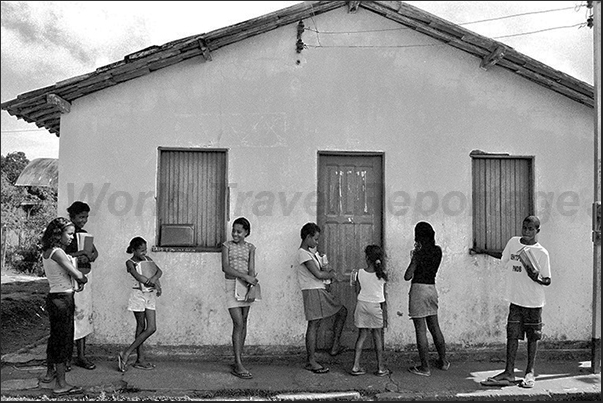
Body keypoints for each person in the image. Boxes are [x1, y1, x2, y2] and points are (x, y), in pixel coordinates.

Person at [480, 215, 551, 389]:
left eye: (531, 229)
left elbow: (548, 280)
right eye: (524, 228)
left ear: (537, 231)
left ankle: (529, 372)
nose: (526, 232)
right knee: (512, 335)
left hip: (533, 301)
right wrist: (484, 250)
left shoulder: (542, 252)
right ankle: (509, 372)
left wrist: (537, 278)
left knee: (533, 338)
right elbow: (504, 257)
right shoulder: (513, 242)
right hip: (515, 299)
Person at [39, 217, 88, 396]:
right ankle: (61, 384)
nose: (72, 238)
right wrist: (82, 278)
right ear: (58, 234)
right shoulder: (58, 252)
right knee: (62, 341)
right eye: (69, 234)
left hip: (56, 297)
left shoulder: (49, 251)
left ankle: (51, 373)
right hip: (62, 300)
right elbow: (77, 274)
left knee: (55, 338)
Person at [297, 222, 348, 374]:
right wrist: (331, 274)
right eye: (316, 239)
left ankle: (335, 346)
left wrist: (327, 269)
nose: (317, 242)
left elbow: (321, 271)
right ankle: (311, 360)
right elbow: (318, 274)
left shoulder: (311, 254)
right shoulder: (303, 254)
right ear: (308, 237)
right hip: (312, 291)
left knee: (341, 311)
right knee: (314, 324)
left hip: (318, 290)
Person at [404, 221, 450, 377]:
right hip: (432, 289)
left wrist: (414, 257)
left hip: (418, 290)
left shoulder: (418, 254)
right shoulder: (438, 251)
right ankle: (443, 361)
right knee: (435, 327)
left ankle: (425, 367)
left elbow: (407, 276)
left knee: (421, 330)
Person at [117, 237, 163, 372]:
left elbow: (158, 271)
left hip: (149, 294)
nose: (144, 252)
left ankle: (126, 352)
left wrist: (155, 282)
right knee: (141, 325)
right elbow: (138, 276)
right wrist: (150, 281)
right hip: (138, 295)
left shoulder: (148, 260)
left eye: (145, 250)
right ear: (133, 250)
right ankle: (139, 359)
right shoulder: (130, 262)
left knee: (152, 327)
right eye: (141, 250)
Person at [221, 217, 259, 379]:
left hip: (246, 286)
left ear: (246, 233)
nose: (235, 234)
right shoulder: (226, 246)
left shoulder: (251, 248)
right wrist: (245, 277)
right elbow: (226, 268)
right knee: (238, 323)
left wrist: (251, 284)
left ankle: (239, 359)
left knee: (244, 322)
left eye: (239, 231)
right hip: (232, 285)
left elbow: (251, 268)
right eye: (233, 231)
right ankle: (237, 363)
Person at [65, 201, 99, 371]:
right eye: (80, 217)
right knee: (71, 318)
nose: (83, 220)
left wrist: (89, 257)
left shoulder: (85, 234)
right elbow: (62, 256)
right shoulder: (66, 235)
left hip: (85, 277)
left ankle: (81, 356)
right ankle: (66, 358)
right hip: (71, 280)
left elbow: (95, 253)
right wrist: (80, 254)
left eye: (86, 217)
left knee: (83, 318)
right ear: (72, 216)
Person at [350, 245, 390, 377]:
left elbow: (356, 291)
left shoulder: (359, 272)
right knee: (377, 336)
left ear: (367, 258)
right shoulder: (383, 275)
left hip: (361, 305)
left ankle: (355, 366)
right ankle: (380, 367)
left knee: (361, 336)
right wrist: (384, 313)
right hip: (376, 306)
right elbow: (383, 297)